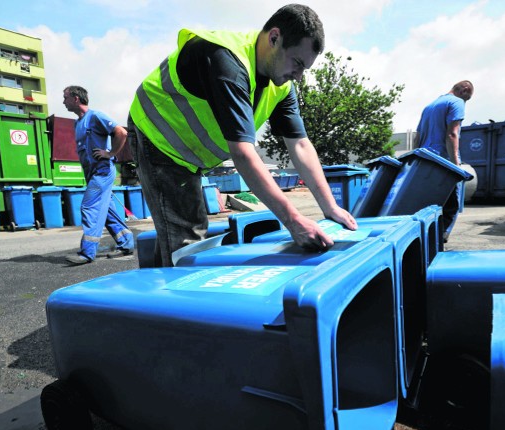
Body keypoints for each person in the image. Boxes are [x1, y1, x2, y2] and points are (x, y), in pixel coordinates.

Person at [128, 4, 357, 267]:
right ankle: (163, 301)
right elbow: (243, 154)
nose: (299, 75)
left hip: (188, 152)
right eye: (297, 63)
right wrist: (294, 221)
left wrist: (330, 207)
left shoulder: (280, 84)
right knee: (187, 245)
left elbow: (301, 145)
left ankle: (155, 286)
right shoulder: (227, 61)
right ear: (274, 38)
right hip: (158, 138)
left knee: (178, 232)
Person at [63, 85, 135, 265]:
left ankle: (87, 252)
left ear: (76, 98)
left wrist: (110, 154)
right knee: (108, 211)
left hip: (102, 172)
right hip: (92, 173)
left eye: (65, 97)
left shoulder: (95, 116)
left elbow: (121, 132)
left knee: (90, 207)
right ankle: (126, 243)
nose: (63, 101)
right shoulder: (77, 122)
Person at [413, 80, 474, 240]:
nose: (465, 102)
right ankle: (439, 242)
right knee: (451, 206)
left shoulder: (430, 106)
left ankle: (426, 241)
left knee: (430, 206)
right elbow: (452, 133)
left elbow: (417, 136)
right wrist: (456, 166)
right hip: (443, 162)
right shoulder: (457, 102)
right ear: (465, 90)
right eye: (468, 98)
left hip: (426, 162)